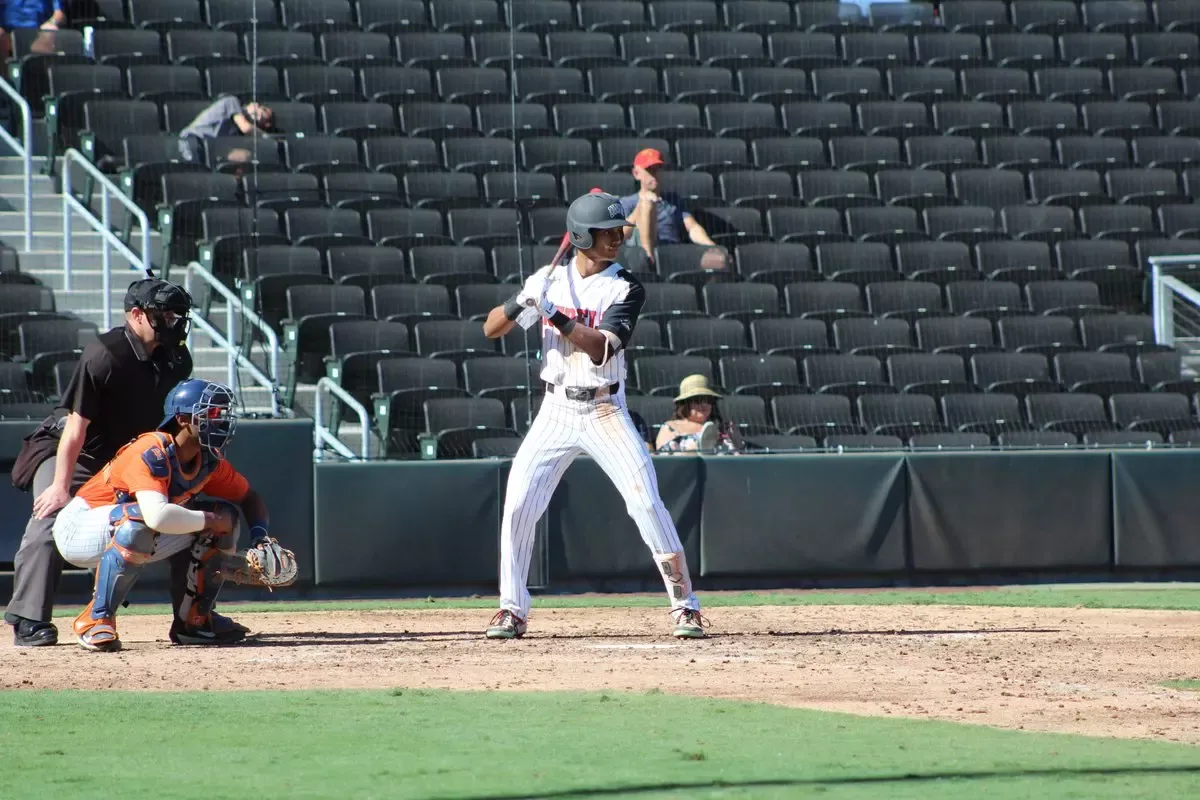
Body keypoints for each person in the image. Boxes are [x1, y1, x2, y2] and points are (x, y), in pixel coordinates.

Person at [480, 191, 709, 640]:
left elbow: (603, 349)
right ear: (582, 236)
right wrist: (521, 301)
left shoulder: (625, 286)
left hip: (605, 407)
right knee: (519, 504)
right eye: (607, 233)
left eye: (618, 231)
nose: (616, 239)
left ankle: (685, 606)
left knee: (645, 502)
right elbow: (490, 329)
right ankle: (511, 609)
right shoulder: (547, 279)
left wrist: (555, 315)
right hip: (556, 409)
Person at [3, 278, 217, 646]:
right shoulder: (105, 354)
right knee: (49, 517)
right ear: (136, 315)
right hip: (75, 451)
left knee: (188, 516)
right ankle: (28, 617)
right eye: (163, 314)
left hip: (130, 456)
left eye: (176, 314)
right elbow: (75, 428)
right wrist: (59, 486)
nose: (173, 321)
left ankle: (192, 618)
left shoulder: (177, 357)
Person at [53, 379, 288, 651]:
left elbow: (249, 497)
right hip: (78, 528)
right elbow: (157, 517)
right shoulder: (150, 451)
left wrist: (260, 538)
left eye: (222, 414)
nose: (220, 421)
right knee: (145, 520)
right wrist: (210, 521)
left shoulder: (208, 461)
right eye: (210, 414)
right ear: (182, 419)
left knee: (225, 517)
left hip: (126, 525)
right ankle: (96, 620)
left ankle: (194, 622)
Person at [618, 148, 718, 267]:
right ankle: (649, 258)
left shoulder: (673, 200)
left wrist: (712, 247)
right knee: (646, 204)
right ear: (636, 173)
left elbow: (692, 228)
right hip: (637, 251)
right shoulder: (627, 202)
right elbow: (621, 235)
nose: (655, 174)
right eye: (649, 170)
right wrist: (641, 205)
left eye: (657, 169)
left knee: (717, 259)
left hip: (670, 251)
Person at [655, 375, 743, 454]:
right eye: (697, 401)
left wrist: (737, 443)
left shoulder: (724, 429)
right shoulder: (670, 428)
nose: (704, 405)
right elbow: (664, 460)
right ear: (685, 404)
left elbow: (741, 463)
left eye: (708, 401)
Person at [177, 96, 276, 166]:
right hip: (194, 140)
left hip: (211, 149)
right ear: (254, 104)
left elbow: (229, 152)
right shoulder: (232, 101)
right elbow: (246, 128)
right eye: (263, 110)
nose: (260, 117)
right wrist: (269, 139)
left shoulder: (235, 133)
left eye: (264, 120)